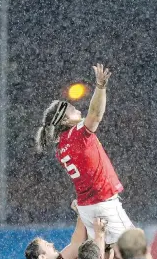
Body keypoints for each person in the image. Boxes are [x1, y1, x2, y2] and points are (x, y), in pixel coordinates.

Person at [35, 63, 133, 245]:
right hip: (103, 203)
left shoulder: (61, 146)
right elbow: (95, 114)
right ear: (65, 120)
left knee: (107, 255)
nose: (78, 110)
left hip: (87, 207)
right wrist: (101, 87)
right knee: (136, 249)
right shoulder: (76, 134)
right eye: (73, 109)